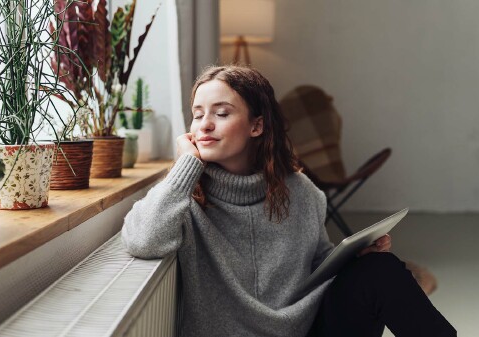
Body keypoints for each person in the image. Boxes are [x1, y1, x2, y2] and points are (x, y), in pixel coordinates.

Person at [121, 65, 456, 337]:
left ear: (257, 125)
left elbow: (316, 261)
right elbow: (142, 240)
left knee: (379, 270)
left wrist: (354, 260)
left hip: (304, 331)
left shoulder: (301, 191)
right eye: (197, 114)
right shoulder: (184, 195)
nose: (204, 125)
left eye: (221, 113)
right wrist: (186, 166)